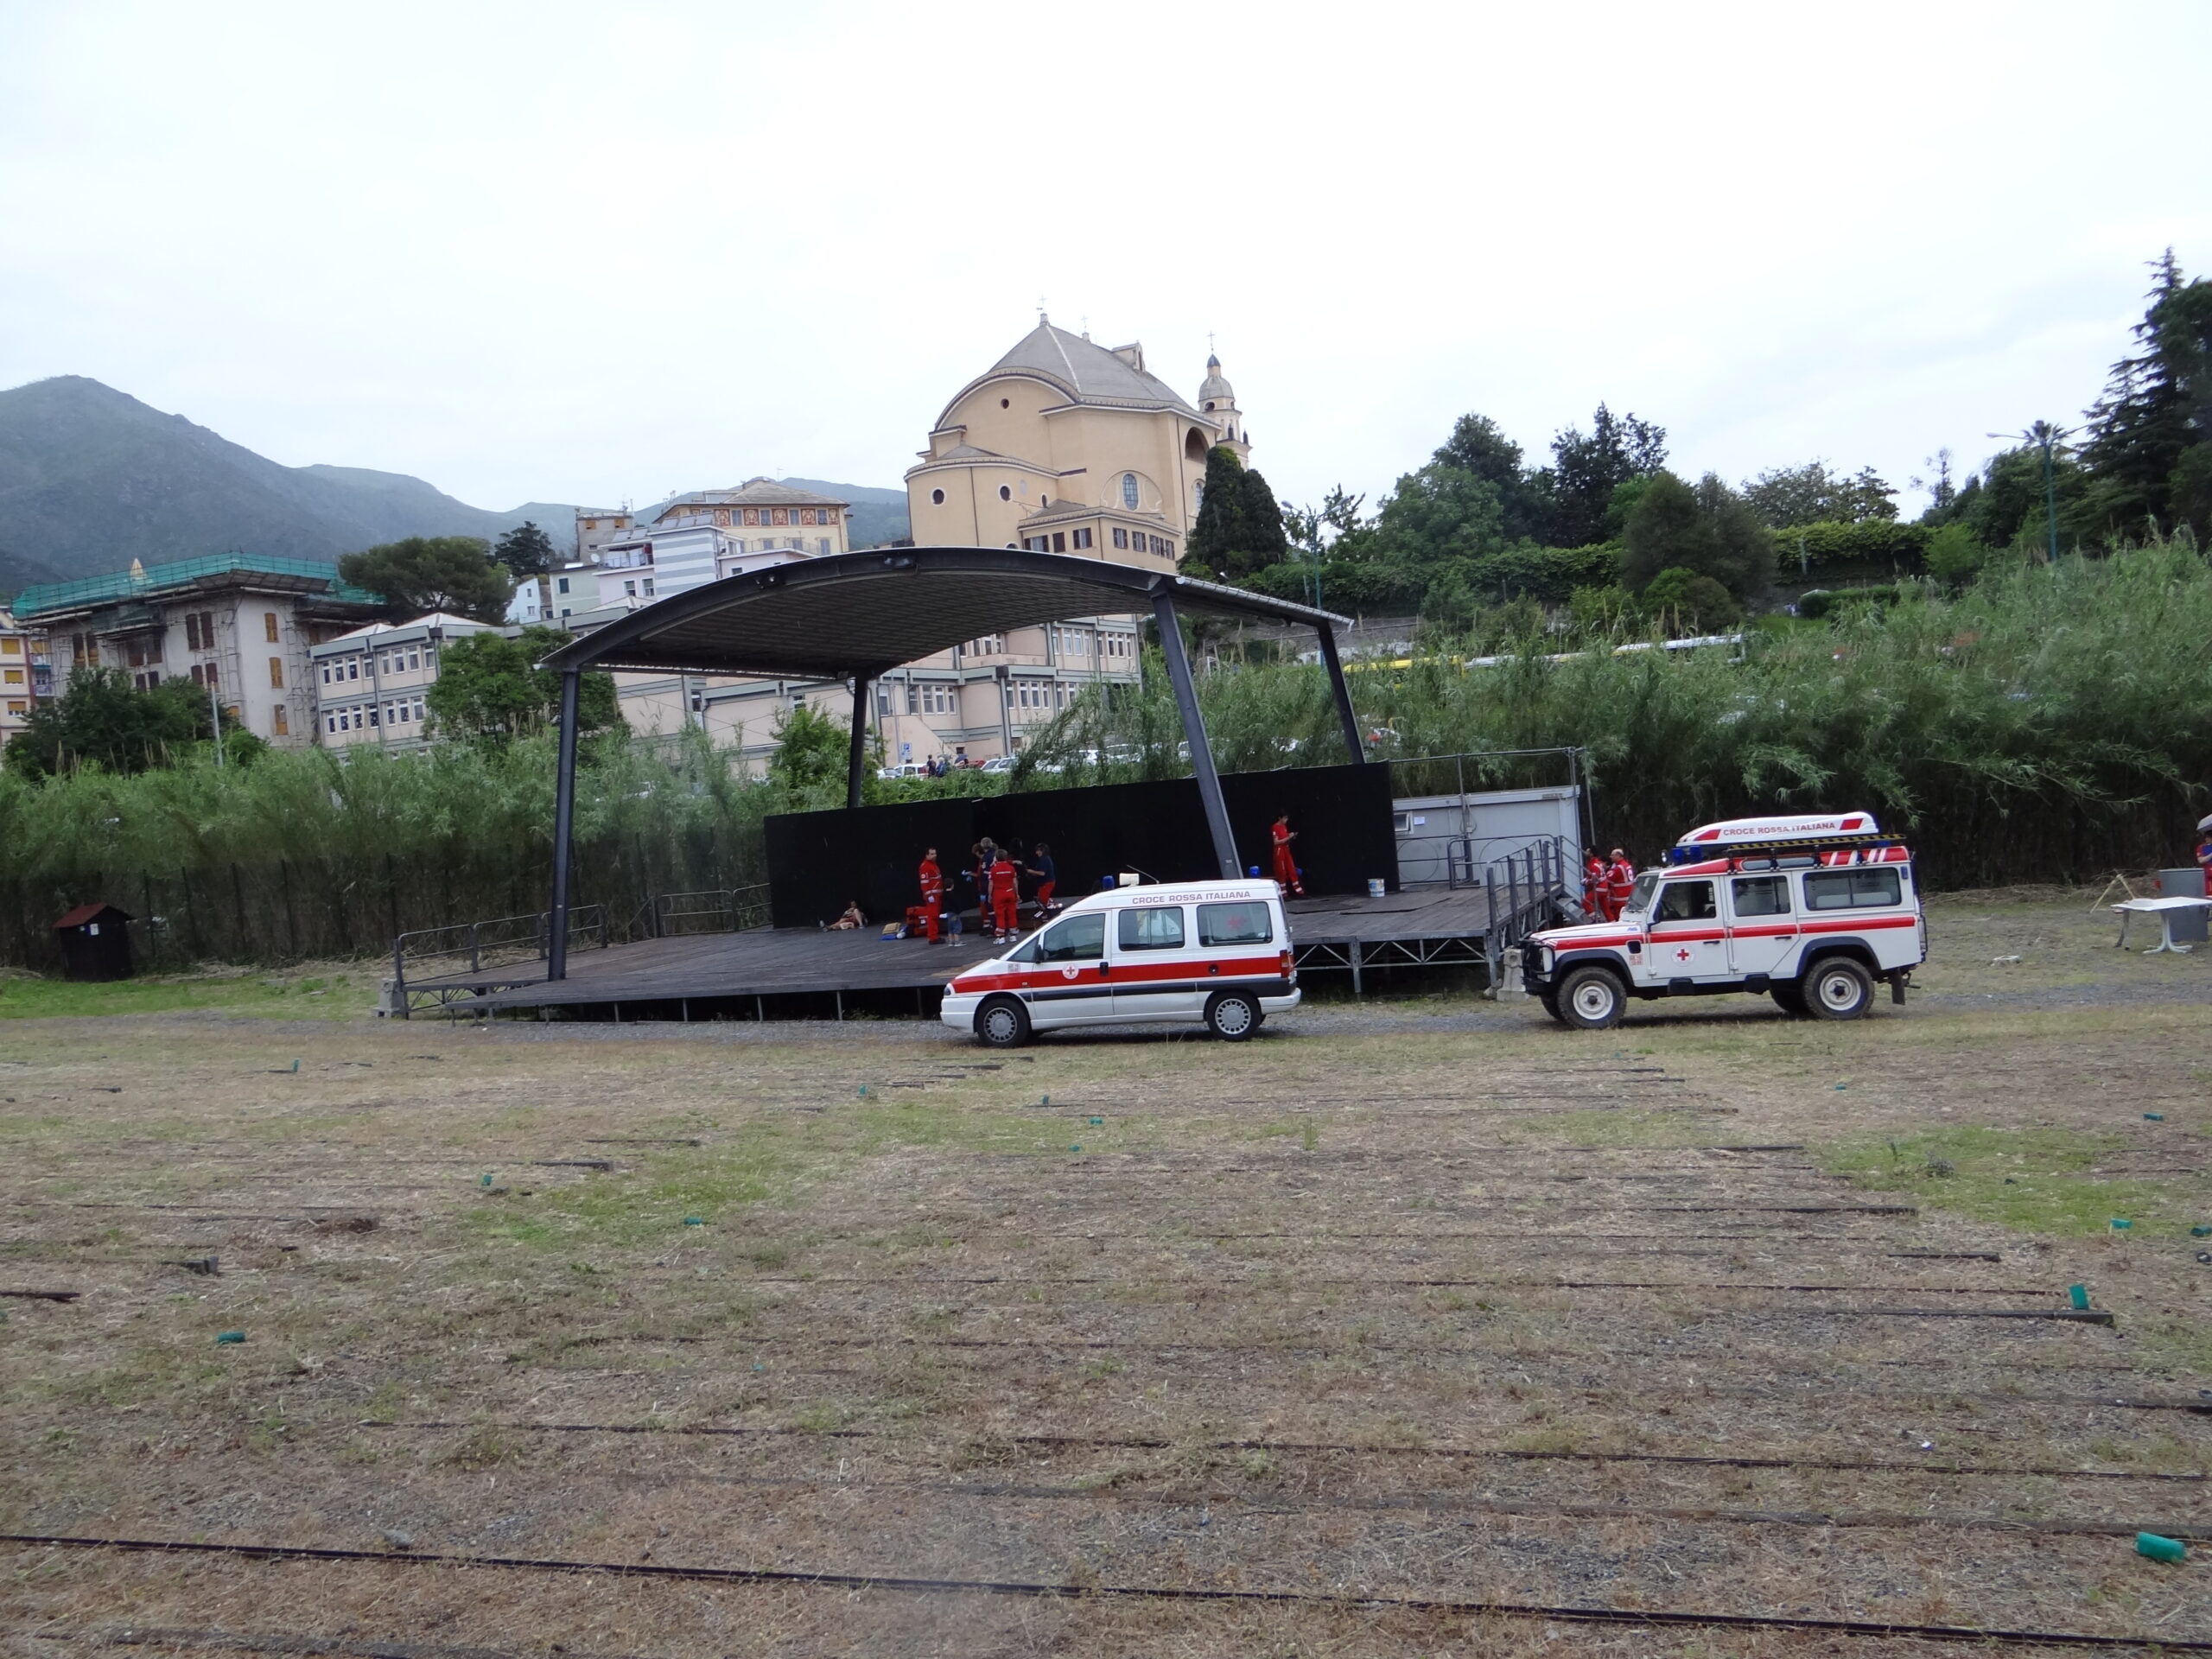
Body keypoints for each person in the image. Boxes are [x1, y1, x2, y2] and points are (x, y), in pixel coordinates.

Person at [988, 845, 1020, 941]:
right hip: (1010, 892)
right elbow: (1015, 882)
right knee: (1012, 914)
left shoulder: (993, 869)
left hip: (998, 894)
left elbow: (991, 884)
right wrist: (1017, 893)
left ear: (996, 857)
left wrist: (989, 895)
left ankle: (1001, 937)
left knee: (1000, 915)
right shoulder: (1011, 868)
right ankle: (1013, 935)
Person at [1270, 814, 1304, 897]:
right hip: (1279, 851)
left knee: (1292, 869)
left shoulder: (1284, 827)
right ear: (1280, 818)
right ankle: (1283, 893)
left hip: (1286, 849)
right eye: (1285, 818)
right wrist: (1288, 837)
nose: (1286, 820)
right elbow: (1276, 842)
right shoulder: (1275, 827)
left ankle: (1299, 892)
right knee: (1281, 871)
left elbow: (1285, 839)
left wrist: (1291, 836)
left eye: (1287, 818)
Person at [917, 845, 945, 944]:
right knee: (932, 917)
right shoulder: (925, 866)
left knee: (935, 916)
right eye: (932, 854)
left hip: (937, 895)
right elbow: (924, 883)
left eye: (935, 854)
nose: (934, 855)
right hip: (932, 896)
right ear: (927, 855)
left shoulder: (933, 865)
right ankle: (933, 937)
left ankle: (935, 935)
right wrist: (929, 895)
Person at [1604, 848, 1636, 922]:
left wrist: (1608, 870)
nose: (1611, 857)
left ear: (1618, 855)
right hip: (1628, 895)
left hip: (1620, 897)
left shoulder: (1619, 868)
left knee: (1619, 918)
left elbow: (1609, 879)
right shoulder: (1627, 865)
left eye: (1613, 855)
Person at [1026, 842, 1058, 912]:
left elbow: (1042, 873)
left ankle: (1049, 912)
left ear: (1042, 851)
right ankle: (1048, 909)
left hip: (1048, 883)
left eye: (1038, 851)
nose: (1036, 853)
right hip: (1045, 883)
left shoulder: (1044, 859)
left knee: (1042, 901)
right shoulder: (1044, 859)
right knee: (1041, 899)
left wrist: (1031, 871)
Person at [1583, 851, 1606, 918]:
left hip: (1599, 887)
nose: (1586, 852)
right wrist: (1587, 879)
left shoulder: (1594, 865)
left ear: (1592, 853)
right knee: (1606, 910)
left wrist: (1586, 882)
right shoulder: (1596, 862)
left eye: (1588, 851)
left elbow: (1595, 879)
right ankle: (1612, 921)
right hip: (1603, 887)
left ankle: (1596, 918)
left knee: (1586, 902)